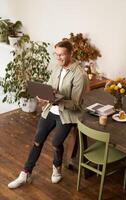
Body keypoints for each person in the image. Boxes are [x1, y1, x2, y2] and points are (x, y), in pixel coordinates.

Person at [8, 40, 88, 189]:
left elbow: (76, 104)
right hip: (51, 110)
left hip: (67, 114)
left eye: (62, 55)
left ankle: (57, 168)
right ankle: (25, 174)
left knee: (56, 143)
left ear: (71, 53)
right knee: (37, 140)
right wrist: (43, 95)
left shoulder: (80, 75)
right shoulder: (57, 68)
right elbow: (50, 87)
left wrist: (57, 100)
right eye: (56, 55)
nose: (58, 58)